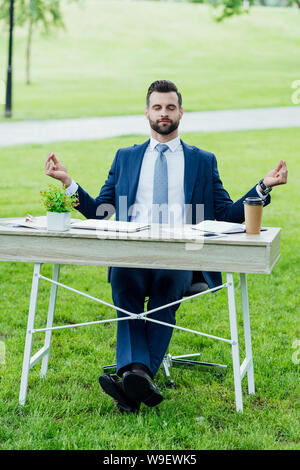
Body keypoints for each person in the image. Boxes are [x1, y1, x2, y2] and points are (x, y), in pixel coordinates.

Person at [45, 80, 288, 413]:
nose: (163, 113)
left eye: (170, 107)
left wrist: (262, 187)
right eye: (157, 107)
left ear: (181, 112)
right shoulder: (126, 157)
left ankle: (131, 379)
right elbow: (102, 212)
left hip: (180, 257)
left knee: (167, 284)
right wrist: (68, 183)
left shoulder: (202, 161)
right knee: (123, 282)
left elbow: (226, 215)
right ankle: (139, 377)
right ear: (147, 112)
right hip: (131, 253)